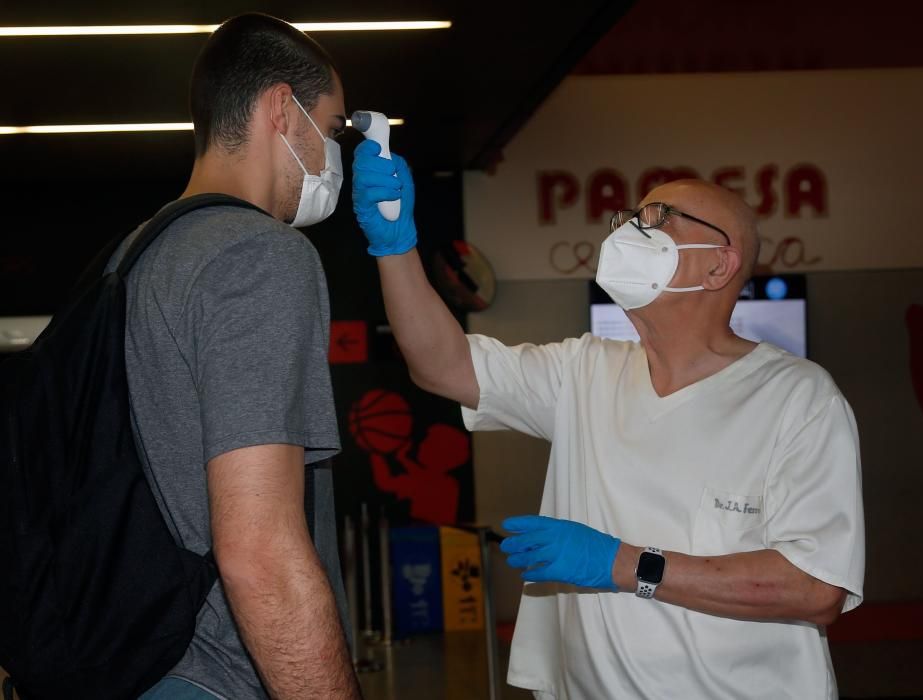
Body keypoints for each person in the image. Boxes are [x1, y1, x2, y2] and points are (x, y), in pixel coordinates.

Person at [351, 143, 865, 698]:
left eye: (659, 219)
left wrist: (624, 565)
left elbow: (816, 588)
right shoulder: (584, 369)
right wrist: (394, 248)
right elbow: (442, 366)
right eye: (631, 217)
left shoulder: (798, 397)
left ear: (720, 263)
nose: (630, 231)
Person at [107, 14, 359, 699]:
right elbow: (259, 551)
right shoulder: (258, 255)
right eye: (332, 131)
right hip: (214, 672)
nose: (335, 155)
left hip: (127, 657)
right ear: (282, 109)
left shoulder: (136, 254)